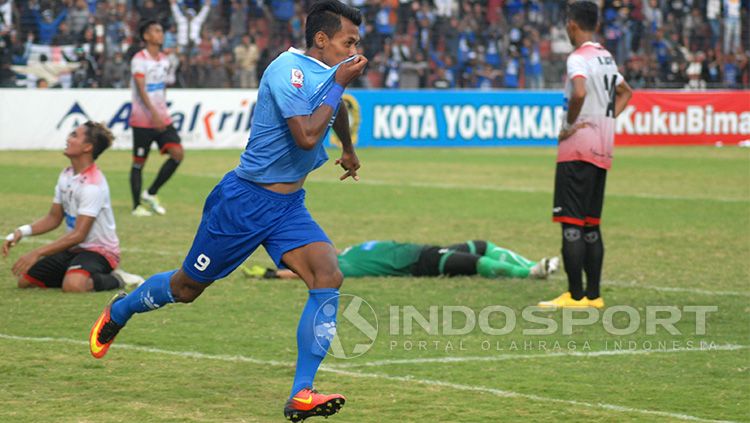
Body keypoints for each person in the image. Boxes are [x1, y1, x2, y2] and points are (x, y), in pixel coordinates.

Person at [89, 2, 367, 422]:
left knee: (328, 274)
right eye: (349, 42)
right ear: (322, 40)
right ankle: (120, 310)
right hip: (243, 203)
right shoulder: (285, 71)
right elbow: (308, 135)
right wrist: (339, 84)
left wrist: (347, 149)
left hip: (288, 206)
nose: (354, 51)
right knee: (186, 289)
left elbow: (336, 111)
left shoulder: (329, 75)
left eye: (357, 44)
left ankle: (301, 394)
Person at [541, 1, 632, 310]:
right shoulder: (605, 57)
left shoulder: (578, 58)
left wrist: (569, 125)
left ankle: (575, 295)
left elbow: (578, 92)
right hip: (603, 149)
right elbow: (626, 93)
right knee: (591, 224)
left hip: (577, 149)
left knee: (571, 222)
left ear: (572, 25)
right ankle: (594, 295)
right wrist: (606, 120)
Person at [2, 122, 143, 292]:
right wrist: (21, 232)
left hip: (101, 252)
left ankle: (119, 279)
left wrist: (37, 252)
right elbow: (53, 218)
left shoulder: (93, 184)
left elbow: (79, 235)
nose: (68, 139)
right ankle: (75, 272)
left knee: (73, 286)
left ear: (88, 147)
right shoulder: (66, 175)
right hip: (74, 249)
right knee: (26, 281)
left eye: (74, 135)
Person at [243, 240, 559, 280]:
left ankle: (534, 261)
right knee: (473, 264)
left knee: (480, 244)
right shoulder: (344, 266)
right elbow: (307, 274)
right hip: (418, 263)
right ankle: (529, 273)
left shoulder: (346, 252)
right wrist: (273, 274)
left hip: (424, 249)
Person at [129, 19, 183, 217]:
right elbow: (141, 90)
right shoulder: (139, 59)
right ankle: (136, 207)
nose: (160, 34)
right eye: (156, 31)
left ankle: (150, 193)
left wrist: (162, 113)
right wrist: (154, 114)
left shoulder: (164, 60)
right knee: (139, 163)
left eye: (161, 30)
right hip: (143, 119)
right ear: (146, 36)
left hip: (162, 118)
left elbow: (163, 87)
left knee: (177, 154)